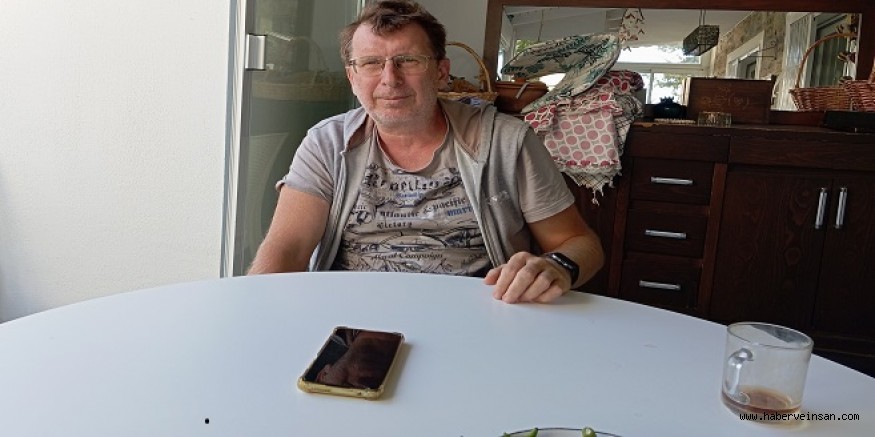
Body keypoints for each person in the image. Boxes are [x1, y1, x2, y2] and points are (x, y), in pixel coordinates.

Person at [247, 0, 603, 303]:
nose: (390, 79)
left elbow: (579, 242)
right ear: (352, 78)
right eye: (371, 63)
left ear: (441, 72)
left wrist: (557, 265)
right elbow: (288, 248)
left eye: (409, 60)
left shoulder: (507, 142)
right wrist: (258, 312)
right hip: (351, 315)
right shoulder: (326, 143)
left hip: (475, 317)